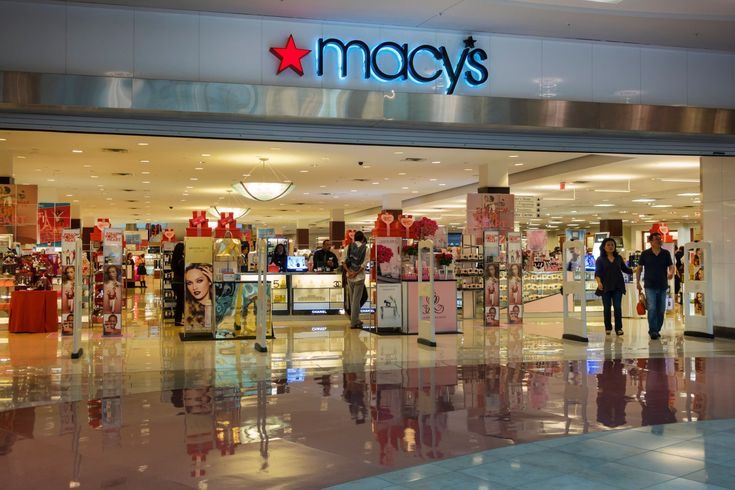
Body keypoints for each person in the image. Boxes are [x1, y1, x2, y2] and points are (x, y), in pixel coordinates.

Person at [636, 231, 674, 340]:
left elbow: (671, 266)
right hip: (649, 285)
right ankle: (653, 330)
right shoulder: (645, 254)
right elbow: (639, 268)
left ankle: (657, 329)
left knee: (661, 309)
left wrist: (671, 272)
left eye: (660, 239)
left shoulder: (665, 253)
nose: (659, 241)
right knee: (652, 308)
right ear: (651, 241)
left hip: (662, 285)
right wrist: (638, 282)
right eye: (657, 239)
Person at [595, 238, 634, 336]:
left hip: (618, 286)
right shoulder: (600, 259)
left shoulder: (619, 258)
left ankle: (618, 328)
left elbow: (625, 269)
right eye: (608, 245)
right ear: (604, 247)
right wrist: (599, 282)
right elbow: (598, 273)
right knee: (607, 308)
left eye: (612, 244)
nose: (610, 246)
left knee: (617, 307)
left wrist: (635, 270)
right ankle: (608, 327)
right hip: (605, 286)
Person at [344, 231, 369, 329]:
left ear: (354, 238)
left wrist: (349, 272)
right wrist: (356, 273)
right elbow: (363, 265)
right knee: (356, 300)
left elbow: (343, 261)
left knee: (352, 299)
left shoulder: (348, 247)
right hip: (359, 277)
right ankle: (354, 322)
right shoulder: (366, 249)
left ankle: (354, 319)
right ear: (363, 238)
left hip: (349, 277)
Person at [185, 263, 214, 330]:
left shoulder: (220, 303)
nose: (194, 287)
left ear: (209, 281)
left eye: (199, 281)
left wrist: (216, 284)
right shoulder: (188, 308)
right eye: (189, 283)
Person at [172, 242, 185, 326]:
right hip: (180, 283)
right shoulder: (181, 260)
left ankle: (178, 320)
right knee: (180, 302)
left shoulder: (174, 259)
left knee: (179, 302)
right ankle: (178, 321)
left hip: (175, 282)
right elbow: (183, 272)